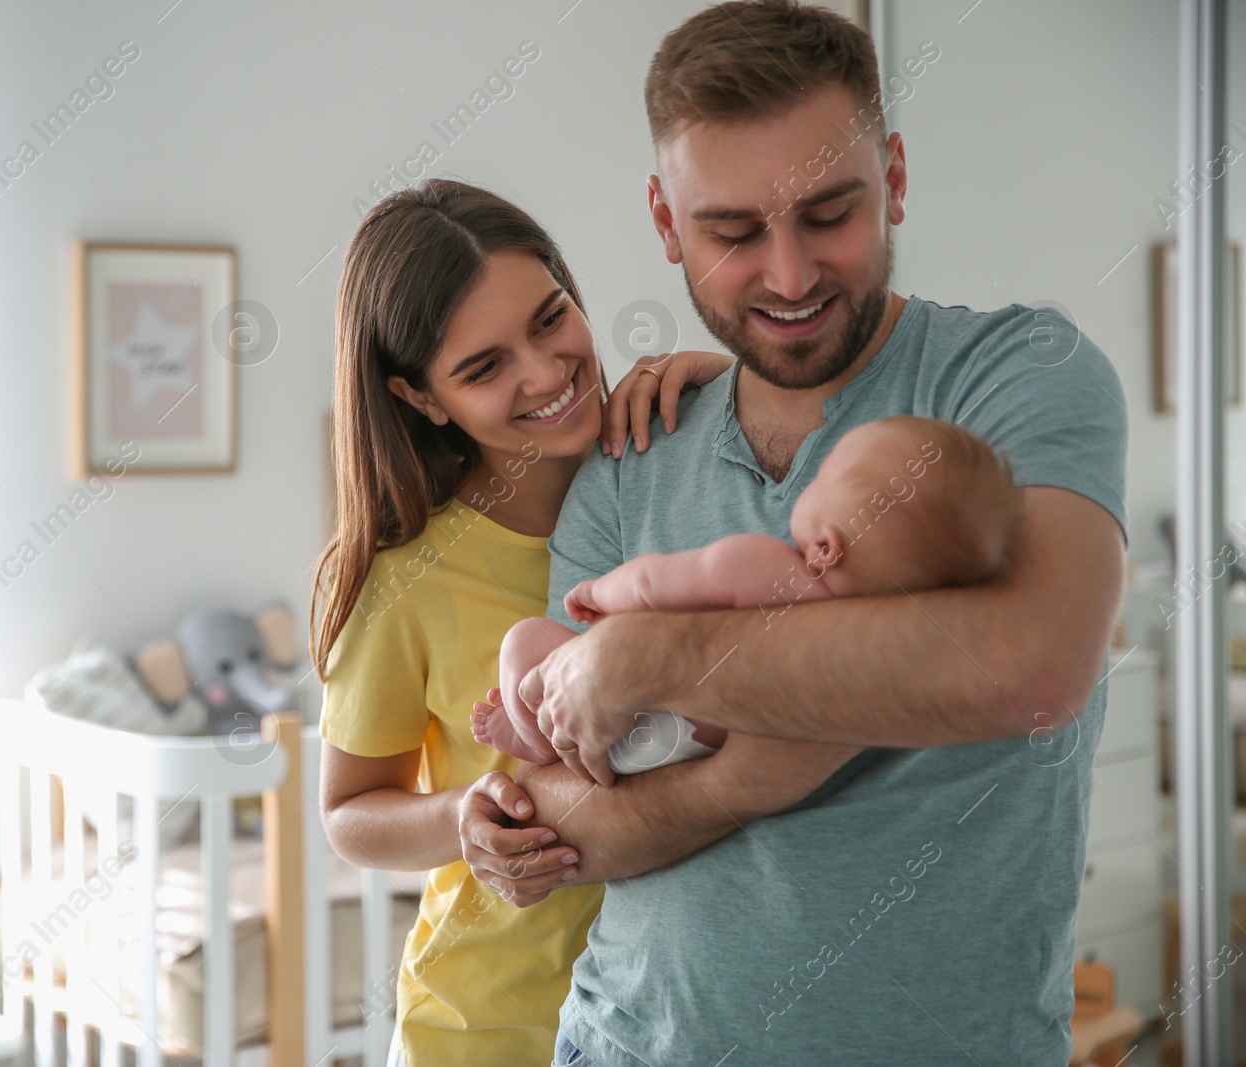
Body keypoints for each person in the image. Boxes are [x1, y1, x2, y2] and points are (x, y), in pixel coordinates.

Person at [460, 4, 1127, 1065]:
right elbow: (560, 817)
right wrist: (757, 769)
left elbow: (1032, 662)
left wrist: (644, 658)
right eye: (730, 232)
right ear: (665, 222)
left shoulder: (1016, 375)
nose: (787, 275)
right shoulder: (630, 452)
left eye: (829, 213)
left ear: (895, 177)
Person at [312, 179, 823, 1066]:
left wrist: (727, 386)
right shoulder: (406, 581)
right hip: (483, 1031)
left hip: (668, 1016)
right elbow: (350, 812)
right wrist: (461, 818)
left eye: (551, 319)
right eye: (483, 367)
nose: (546, 374)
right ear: (422, 398)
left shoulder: (669, 459)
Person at [473, 416, 1024, 774]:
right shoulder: (861, 634)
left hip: (644, 713)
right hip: (695, 747)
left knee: (527, 642)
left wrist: (598, 592)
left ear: (827, 547)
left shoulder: (764, 564)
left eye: (825, 479)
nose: (809, 482)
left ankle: (534, 741)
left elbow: (653, 579)